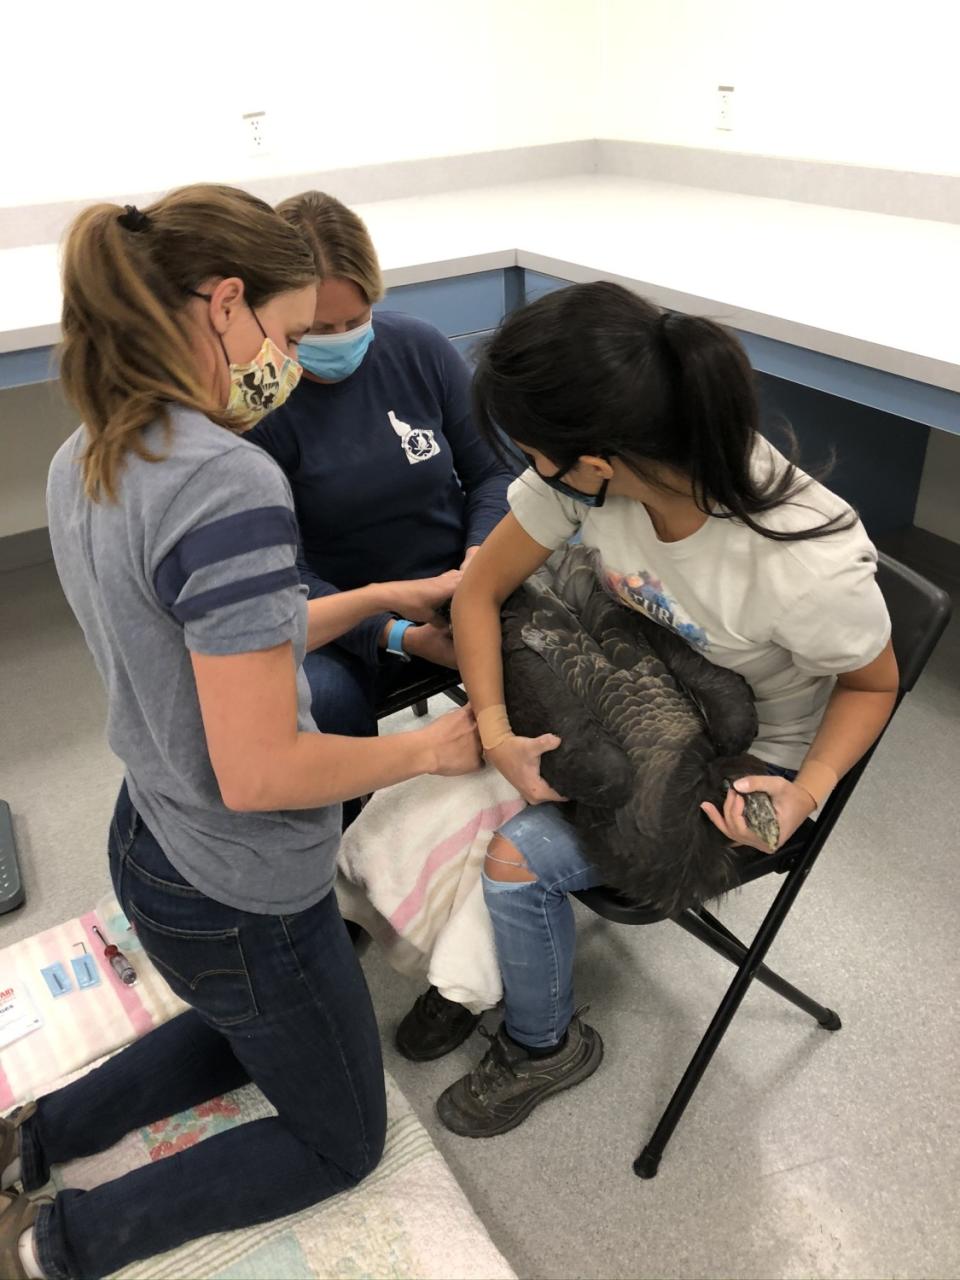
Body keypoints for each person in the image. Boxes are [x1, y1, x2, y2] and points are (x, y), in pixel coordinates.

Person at [0, 185, 481, 1280]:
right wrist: (430, 749)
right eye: (286, 329)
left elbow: (213, 640)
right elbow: (264, 766)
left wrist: (369, 599)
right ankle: (52, 1244)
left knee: (259, 1019)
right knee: (341, 1134)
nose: (290, 358)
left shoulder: (92, 450)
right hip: (237, 882)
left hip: (152, 834)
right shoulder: (228, 483)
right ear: (224, 304)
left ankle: (31, 1138)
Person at [424, 280, 898, 1137]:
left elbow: (874, 684)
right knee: (489, 740)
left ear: (597, 458)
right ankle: (476, 972)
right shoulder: (600, 475)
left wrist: (808, 790)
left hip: (753, 749)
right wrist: (495, 733)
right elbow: (477, 590)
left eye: (535, 453)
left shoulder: (803, 565)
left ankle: (544, 1044)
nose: (532, 470)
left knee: (516, 858)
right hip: (649, 671)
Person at [247, 191, 514, 769]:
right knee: (323, 707)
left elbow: (492, 472)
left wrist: (478, 563)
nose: (343, 339)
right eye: (319, 328)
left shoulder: (418, 349)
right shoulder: (259, 406)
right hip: (336, 616)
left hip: (458, 587)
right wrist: (396, 634)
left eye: (357, 318)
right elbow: (282, 578)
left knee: (564, 655)